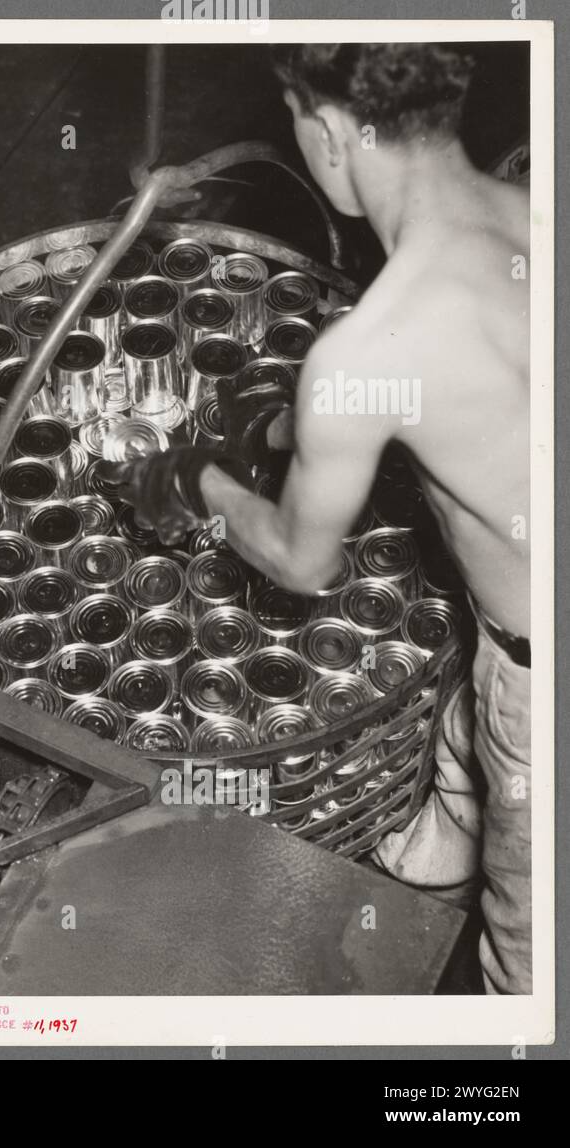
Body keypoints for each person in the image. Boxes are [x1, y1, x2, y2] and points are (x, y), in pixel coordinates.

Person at [114, 43, 531, 992]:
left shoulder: (364, 356)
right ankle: (422, 873)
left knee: (528, 946)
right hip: (510, 630)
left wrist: (202, 484)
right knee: (469, 745)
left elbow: (304, 566)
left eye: (295, 117)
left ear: (332, 131)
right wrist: (291, 431)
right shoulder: (533, 207)